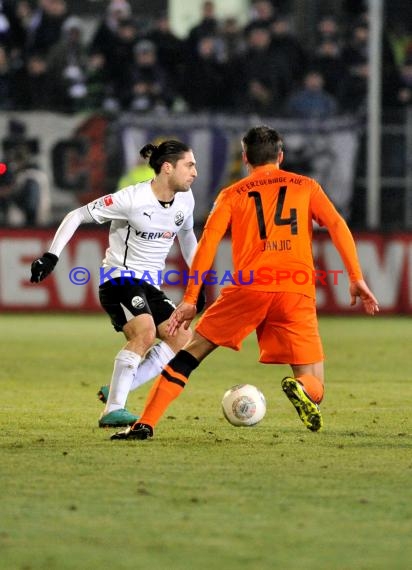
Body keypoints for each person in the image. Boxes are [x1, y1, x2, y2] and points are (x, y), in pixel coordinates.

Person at [111, 125, 379, 441]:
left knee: (189, 353)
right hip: (296, 289)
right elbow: (336, 225)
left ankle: (146, 423)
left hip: (249, 288)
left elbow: (207, 244)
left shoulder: (232, 194)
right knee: (315, 388)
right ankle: (300, 386)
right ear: (280, 156)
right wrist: (356, 277)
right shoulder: (306, 186)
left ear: (245, 158)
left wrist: (191, 298)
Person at [30, 140, 205, 427]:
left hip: (149, 284)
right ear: (167, 167)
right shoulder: (132, 199)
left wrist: (197, 284)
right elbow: (77, 215)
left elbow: (188, 240)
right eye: (190, 165)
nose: (195, 172)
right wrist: (51, 256)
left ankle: (120, 388)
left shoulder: (185, 201)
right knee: (145, 332)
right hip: (119, 279)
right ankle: (113, 410)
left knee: (182, 338)